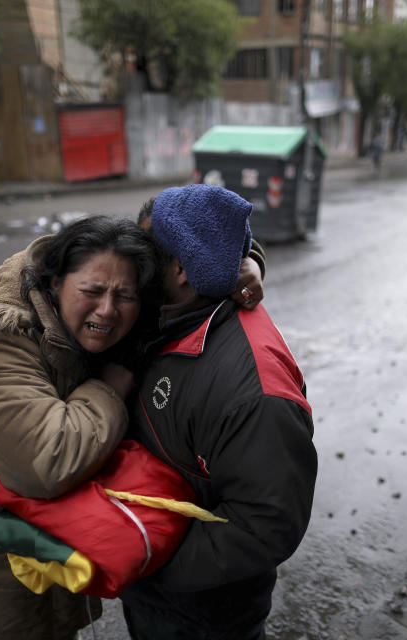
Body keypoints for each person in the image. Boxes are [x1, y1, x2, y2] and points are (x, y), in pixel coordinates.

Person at [0, 214, 265, 640]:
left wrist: (245, 262)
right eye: (91, 292)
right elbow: (44, 463)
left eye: (125, 295)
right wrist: (108, 387)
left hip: (62, 533)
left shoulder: (109, 266)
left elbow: (201, 222)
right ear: (54, 282)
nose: (107, 309)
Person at [119, 185, 318, 640]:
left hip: (203, 613)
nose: (129, 264)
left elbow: (266, 524)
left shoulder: (255, 393)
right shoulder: (171, 309)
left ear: (180, 269)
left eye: (144, 253)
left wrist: (156, 564)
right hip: (154, 597)